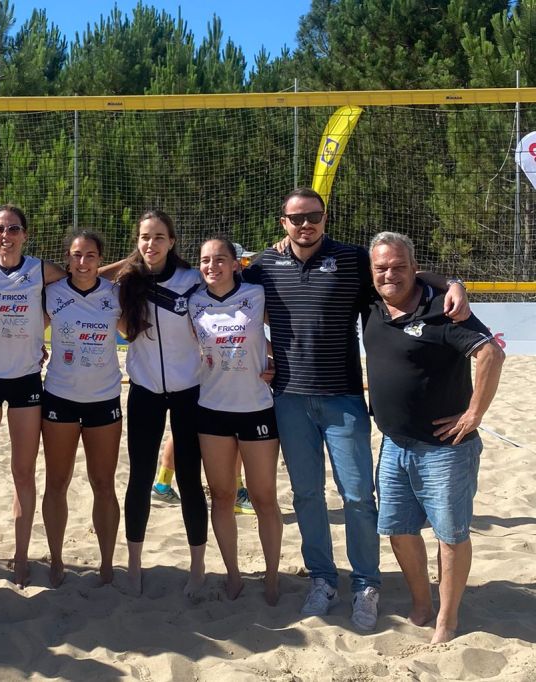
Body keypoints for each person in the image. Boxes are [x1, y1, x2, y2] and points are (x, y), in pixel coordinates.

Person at [242, 187, 470, 631]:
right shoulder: (263, 267)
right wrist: (261, 351)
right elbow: (227, 300)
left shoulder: (350, 260)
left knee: (357, 498)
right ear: (282, 222)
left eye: (314, 215)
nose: (305, 224)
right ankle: (324, 580)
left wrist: (454, 283)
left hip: (344, 398)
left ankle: (366, 583)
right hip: (289, 398)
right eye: (296, 217)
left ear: (325, 218)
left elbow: (403, 274)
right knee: (307, 496)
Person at [364, 231, 503, 643]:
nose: (390, 274)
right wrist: (451, 279)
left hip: (445, 449)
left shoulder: (442, 308)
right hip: (393, 442)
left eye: (399, 266)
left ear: (414, 266)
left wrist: (474, 413)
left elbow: (491, 353)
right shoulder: (370, 301)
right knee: (397, 529)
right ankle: (422, 602)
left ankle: (448, 616)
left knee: (450, 534)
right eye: (381, 267)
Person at [0, 204, 66, 588]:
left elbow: (79, 281)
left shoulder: (40, 269)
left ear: (25, 234)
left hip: (26, 380)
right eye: (0, 229)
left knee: (23, 473)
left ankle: (20, 558)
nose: (6, 235)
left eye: (13, 229)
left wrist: (41, 326)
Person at [116, 210, 208, 595]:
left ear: (172, 241)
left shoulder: (193, 281)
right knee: (139, 478)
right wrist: (126, 265)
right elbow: (86, 277)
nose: (150, 244)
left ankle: (198, 568)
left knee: (189, 479)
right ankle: (134, 565)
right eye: (143, 237)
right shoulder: (128, 281)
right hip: (144, 392)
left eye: (158, 237)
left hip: (190, 392)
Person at [190, 236, 283, 605]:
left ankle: (273, 577)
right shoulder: (193, 303)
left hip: (256, 409)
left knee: (263, 498)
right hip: (211, 410)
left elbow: (284, 335)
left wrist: (277, 362)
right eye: (205, 260)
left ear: (234, 264)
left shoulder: (256, 295)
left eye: (220, 259)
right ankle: (233, 575)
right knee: (223, 496)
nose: (212, 266)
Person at [42, 230, 123, 587]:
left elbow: (137, 331)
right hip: (59, 397)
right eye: (76, 255)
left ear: (100, 260)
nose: (83, 262)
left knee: (103, 484)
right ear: (67, 259)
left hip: (104, 399)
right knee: (56, 482)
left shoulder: (115, 294)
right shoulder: (52, 293)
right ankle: (57, 560)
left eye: (90, 256)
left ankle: (107, 563)